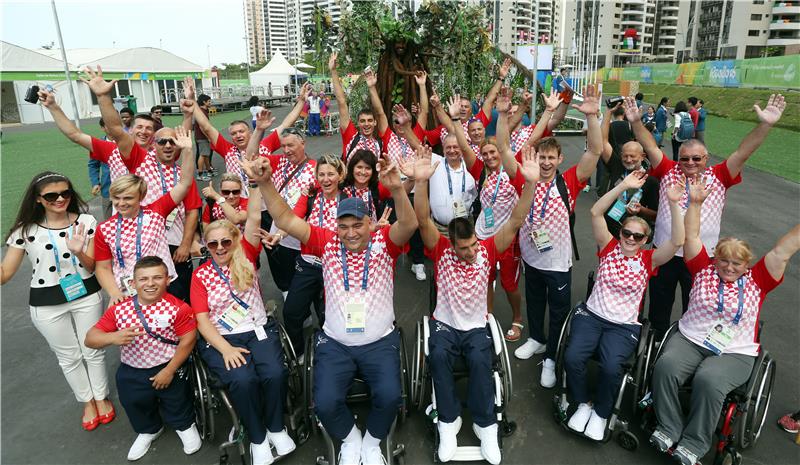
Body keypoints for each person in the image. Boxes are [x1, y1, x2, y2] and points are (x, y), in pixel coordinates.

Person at [243, 148, 418, 465]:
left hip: (379, 342)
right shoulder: (327, 242)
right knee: (323, 403)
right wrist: (266, 183)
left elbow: (408, 223)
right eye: (344, 226)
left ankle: (372, 443)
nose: (351, 233)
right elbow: (284, 218)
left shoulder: (384, 243)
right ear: (336, 226)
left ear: (369, 223)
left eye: (358, 225)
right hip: (336, 343)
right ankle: (351, 440)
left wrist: (396, 189)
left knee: (391, 397)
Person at [649, 178, 800, 465]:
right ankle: (669, 427)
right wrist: (695, 203)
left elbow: (784, 249)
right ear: (715, 259)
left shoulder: (758, 279)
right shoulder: (702, 268)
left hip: (734, 350)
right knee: (665, 366)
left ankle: (694, 442)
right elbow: (692, 236)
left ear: (747, 264)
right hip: (690, 338)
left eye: (737, 263)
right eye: (724, 261)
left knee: (709, 378)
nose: (729, 267)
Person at [413, 144, 540, 464]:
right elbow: (423, 218)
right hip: (444, 324)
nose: (470, 252)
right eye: (464, 248)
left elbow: (516, 219)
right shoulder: (440, 249)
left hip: (474, 325)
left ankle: (486, 427)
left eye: (472, 246)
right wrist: (421, 181)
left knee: (483, 363)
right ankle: (448, 423)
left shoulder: (487, 248)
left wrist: (532, 184)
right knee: (439, 357)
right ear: (451, 245)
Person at [622, 94, 786, 339]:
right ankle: (655, 347)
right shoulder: (669, 169)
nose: (690, 163)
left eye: (696, 158)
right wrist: (636, 122)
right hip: (665, 253)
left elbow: (743, 152)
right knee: (659, 309)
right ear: (678, 159)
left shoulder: (719, 175)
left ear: (706, 159)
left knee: (696, 309)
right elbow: (650, 146)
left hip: (702, 258)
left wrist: (765, 124)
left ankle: (687, 346)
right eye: (685, 158)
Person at [564, 171, 684, 440]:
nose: (630, 238)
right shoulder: (607, 246)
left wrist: (674, 205)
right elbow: (595, 212)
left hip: (624, 326)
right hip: (591, 316)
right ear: (620, 233)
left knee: (610, 368)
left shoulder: (649, 260)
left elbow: (677, 242)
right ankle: (583, 403)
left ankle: (602, 413)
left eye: (638, 236)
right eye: (626, 233)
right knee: (572, 358)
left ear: (645, 240)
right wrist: (623, 186)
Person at [191, 187, 297, 465]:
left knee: (274, 373)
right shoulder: (200, 275)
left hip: (258, 329)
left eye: (226, 242)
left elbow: (252, 214)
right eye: (213, 245)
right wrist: (225, 349)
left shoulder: (247, 254)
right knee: (243, 379)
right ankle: (257, 436)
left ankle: (275, 427)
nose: (220, 248)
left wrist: (254, 181)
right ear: (207, 246)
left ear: (236, 239)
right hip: (221, 336)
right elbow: (202, 320)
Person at [2, 172, 114, 431]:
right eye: (51, 196)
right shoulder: (25, 230)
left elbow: (94, 265)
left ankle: (101, 396)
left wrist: (78, 250)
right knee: (69, 357)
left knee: (93, 350)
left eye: (65, 193)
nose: (60, 199)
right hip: (45, 302)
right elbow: (5, 274)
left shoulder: (86, 221)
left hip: (85, 293)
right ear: (39, 199)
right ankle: (87, 401)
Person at [509, 84, 602, 389]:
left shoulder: (570, 182)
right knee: (534, 301)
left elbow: (595, 151)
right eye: (542, 157)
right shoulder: (527, 176)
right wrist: (547, 113)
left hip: (558, 263)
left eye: (551, 157)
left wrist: (592, 118)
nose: (546, 162)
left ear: (560, 159)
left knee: (558, 309)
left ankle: (551, 356)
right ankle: (536, 338)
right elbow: (526, 148)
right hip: (531, 255)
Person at [82, 67, 202, 302]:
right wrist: (103, 96)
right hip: (138, 242)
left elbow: (186, 178)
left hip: (171, 242)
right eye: (161, 141)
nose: (168, 145)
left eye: (171, 142)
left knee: (177, 303)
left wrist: (188, 115)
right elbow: (116, 129)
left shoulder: (174, 174)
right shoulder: (138, 158)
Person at [85, 256, 200, 461]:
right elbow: (90, 338)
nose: (150, 283)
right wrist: (113, 337)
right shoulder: (119, 309)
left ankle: (184, 425)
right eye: (143, 279)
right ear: (133, 283)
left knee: (177, 400)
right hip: (132, 369)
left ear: (168, 280)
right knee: (134, 401)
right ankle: (149, 429)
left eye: (157, 277)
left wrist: (169, 370)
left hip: (168, 365)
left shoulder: (179, 308)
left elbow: (188, 341)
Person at [93, 126, 196, 307]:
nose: (122, 203)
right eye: (117, 198)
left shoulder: (156, 211)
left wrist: (187, 151)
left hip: (163, 286)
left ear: (140, 197)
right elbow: (102, 267)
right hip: (125, 291)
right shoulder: (105, 228)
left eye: (128, 198)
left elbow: (185, 183)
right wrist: (114, 293)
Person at [188, 78, 308, 198]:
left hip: (265, 203)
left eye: (241, 131)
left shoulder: (265, 145)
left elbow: (286, 123)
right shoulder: (227, 150)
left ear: (250, 133)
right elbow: (206, 127)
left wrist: (301, 101)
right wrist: (193, 101)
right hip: (238, 203)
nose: (238, 135)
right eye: (234, 133)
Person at [281, 154, 347, 358]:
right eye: (321, 174)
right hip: (308, 264)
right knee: (291, 312)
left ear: (340, 175)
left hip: (335, 265)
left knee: (328, 315)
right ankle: (298, 353)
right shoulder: (310, 196)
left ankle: (330, 354)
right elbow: (293, 218)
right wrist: (278, 234)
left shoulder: (348, 199)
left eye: (331, 174)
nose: (326, 179)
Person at [246, 112, 318, 298]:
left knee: (308, 280)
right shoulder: (279, 163)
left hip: (305, 235)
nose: (286, 150)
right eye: (283, 146)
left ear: (303, 143)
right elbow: (251, 156)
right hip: (279, 234)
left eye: (291, 145)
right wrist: (259, 130)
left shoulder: (317, 169)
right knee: (285, 280)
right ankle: (294, 313)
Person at [37, 87, 154, 182]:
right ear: (130, 130)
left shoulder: (162, 152)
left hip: (158, 209)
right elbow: (75, 135)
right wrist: (53, 106)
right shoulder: (112, 150)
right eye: (139, 127)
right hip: (123, 208)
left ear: (154, 133)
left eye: (149, 128)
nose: (143, 131)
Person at [329, 53, 388, 162]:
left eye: (370, 120)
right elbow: (342, 103)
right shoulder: (351, 137)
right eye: (363, 121)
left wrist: (371, 87)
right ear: (358, 123)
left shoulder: (380, 144)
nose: (366, 124)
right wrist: (333, 71)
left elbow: (380, 113)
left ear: (375, 123)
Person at [89, 118, 113, 220]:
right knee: (109, 221)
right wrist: (95, 183)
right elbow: (93, 165)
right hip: (107, 189)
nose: (113, 127)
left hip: (128, 189)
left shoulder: (127, 141)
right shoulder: (98, 145)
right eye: (108, 125)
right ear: (102, 128)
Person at [195, 93, 215, 182]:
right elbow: (202, 127)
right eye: (209, 101)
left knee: (206, 154)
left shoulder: (201, 111)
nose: (210, 103)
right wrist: (208, 137)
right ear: (204, 102)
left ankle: (208, 170)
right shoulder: (202, 112)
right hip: (202, 137)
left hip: (199, 137)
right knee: (203, 155)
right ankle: (200, 174)